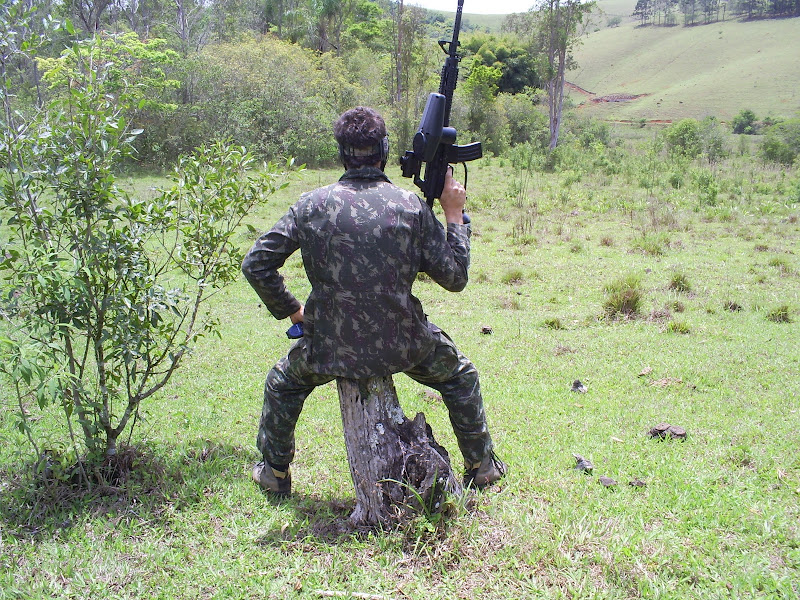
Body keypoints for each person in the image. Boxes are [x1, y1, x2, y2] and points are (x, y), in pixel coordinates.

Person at [242, 106, 505, 497]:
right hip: (405, 345)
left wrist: (293, 311)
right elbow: (455, 278)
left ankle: (275, 473)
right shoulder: (410, 205)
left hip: (329, 346)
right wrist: (454, 216)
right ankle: (481, 467)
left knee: (282, 385)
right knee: (460, 376)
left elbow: (256, 264)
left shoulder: (310, 205)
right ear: (383, 148)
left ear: (341, 153)